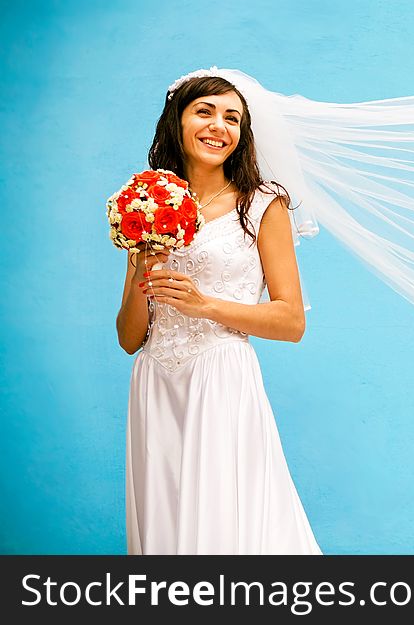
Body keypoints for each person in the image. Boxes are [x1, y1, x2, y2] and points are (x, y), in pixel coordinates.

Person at [115, 72, 322, 554]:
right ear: (178, 121)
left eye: (232, 118)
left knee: (224, 523)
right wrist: (143, 268)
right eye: (204, 111)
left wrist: (204, 304)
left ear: (242, 134)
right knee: (165, 526)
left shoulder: (262, 204)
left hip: (220, 378)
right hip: (155, 382)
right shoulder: (149, 204)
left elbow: (291, 321)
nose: (218, 126)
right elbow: (128, 338)